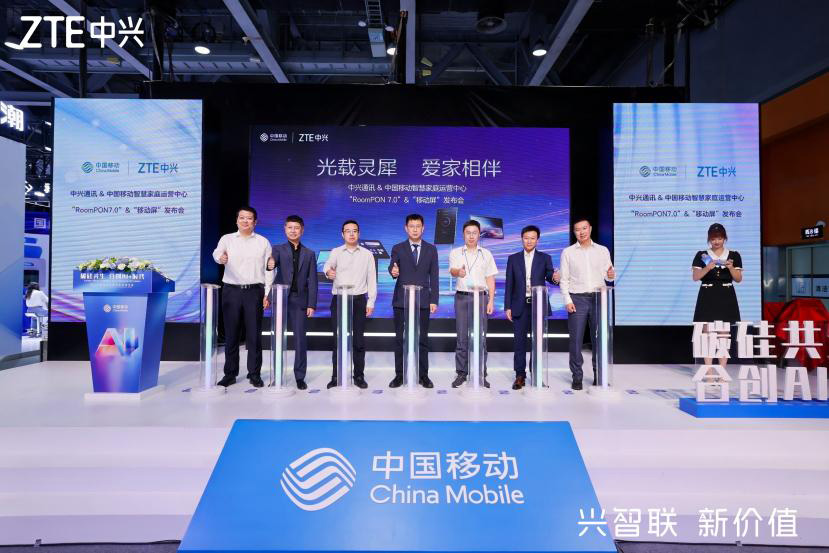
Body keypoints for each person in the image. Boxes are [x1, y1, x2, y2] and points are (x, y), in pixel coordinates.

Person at [212, 206, 272, 388]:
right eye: (242, 218)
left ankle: (254, 374)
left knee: (254, 335)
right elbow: (217, 253)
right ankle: (230, 374)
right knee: (231, 334)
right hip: (232, 291)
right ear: (237, 220)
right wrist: (220, 258)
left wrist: (267, 293)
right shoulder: (227, 239)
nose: (245, 221)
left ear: (255, 222)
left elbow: (269, 269)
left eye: (249, 218)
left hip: (254, 292)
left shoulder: (263, 242)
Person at [559, 218, 615, 390]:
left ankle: (600, 375)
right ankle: (577, 377)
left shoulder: (602, 250)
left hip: (599, 298)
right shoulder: (568, 252)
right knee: (576, 340)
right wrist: (567, 300)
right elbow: (564, 279)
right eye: (578, 229)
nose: (581, 232)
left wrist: (611, 275)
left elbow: (608, 275)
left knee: (599, 339)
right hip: (577, 298)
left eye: (584, 228)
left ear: (590, 229)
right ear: (574, 232)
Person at [504, 225, 560, 390]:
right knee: (519, 343)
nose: (529, 241)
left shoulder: (545, 258)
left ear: (537, 240)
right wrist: (508, 306)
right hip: (519, 306)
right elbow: (509, 284)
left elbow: (550, 277)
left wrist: (555, 277)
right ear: (522, 239)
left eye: (532, 238)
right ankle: (520, 376)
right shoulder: (513, 258)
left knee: (537, 343)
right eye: (526, 238)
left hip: (538, 305)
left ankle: (536, 375)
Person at [324, 220, 377, 389]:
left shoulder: (367, 254)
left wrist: (371, 301)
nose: (351, 234)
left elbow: (372, 279)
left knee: (358, 341)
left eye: (354, 231)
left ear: (359, 233)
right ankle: (336, 376)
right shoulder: (336, 251)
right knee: (338, 340)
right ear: (342, 234)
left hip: (359, 300)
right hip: (339, 299)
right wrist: (328, 272)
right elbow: (327, 266)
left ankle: (359, 376)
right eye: (348, 231)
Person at [388, 214, 439, 388]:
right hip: (401, 301)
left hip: (423, 300)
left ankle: (423, 376)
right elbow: (392, 266)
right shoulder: (398, 248)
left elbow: (434, 276)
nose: (415, 229)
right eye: (411, 226)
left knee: (422, 339)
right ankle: (399, 375)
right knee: (400, 339)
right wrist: (393, 271)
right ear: (406, 228)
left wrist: (434, 299)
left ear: (423, 228)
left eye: (418, 226)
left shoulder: (431, 249)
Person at [267, 215, 317, 390]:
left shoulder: (309, 254)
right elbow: (271, 263)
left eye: (296, 228)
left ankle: (300, 377)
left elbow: (313, 281)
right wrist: (270, 263)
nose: (293, 231)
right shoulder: (277, 249)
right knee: (278, 339)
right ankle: (277, 376)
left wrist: (311, 304)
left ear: (302, 230)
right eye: (290, 227)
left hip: (299, 300)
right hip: (280, 298)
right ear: (285, 229)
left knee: (300, 340)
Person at [449, 220, 498, 388]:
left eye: (474, 233)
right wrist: (459, 272)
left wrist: (491, 300)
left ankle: (481, 373)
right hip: (462, 297)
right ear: (463, 234)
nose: (471, 236)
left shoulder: (486, 254)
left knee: (480, 337)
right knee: (461, 337)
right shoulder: (456, 252)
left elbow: (490, 278)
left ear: (479, 234)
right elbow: (452, 271)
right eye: (468, 233)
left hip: (481, 298)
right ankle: (461, 373)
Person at [692, 223, 742, 372]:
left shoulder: (733, 255)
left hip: (726, 296)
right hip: (707, 295)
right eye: (713, 239)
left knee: (724, 334)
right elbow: (695, 277)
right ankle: (708, 372)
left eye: (719, 238)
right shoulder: (702, 255)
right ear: (709, 239)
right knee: (707, 334)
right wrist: (708, 267)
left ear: (724, 238)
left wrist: (731, 267)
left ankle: (722, 371)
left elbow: (738, 279)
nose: (716, 242)